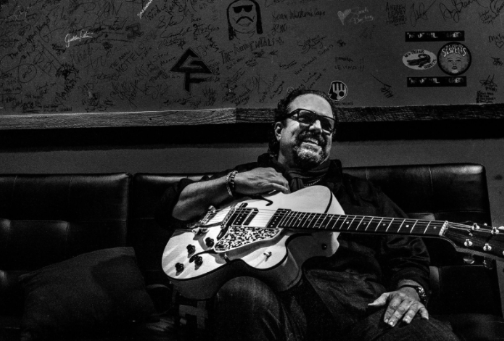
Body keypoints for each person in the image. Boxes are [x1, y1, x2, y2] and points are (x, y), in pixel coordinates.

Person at [156, 89, 459, 341]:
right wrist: (232, 182)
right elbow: (174, 207)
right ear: (279, 130)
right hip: (274, 304)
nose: (317, 128)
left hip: (361, 309)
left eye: (327, 125)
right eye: (305, 118)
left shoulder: (362, 193)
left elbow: (409, 253)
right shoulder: (245, 177)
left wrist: (410, 290)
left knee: (430, 335)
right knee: (241, 293)